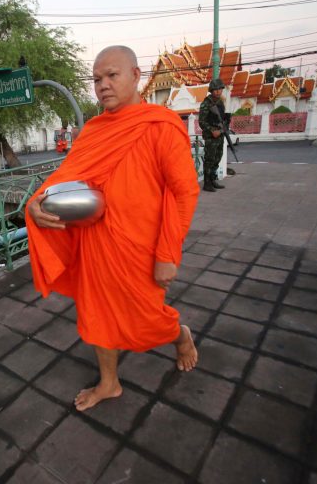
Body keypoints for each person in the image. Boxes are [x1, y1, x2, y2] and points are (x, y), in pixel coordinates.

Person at [26, 46, 200, 412]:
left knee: (147, 318)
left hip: (143, 246)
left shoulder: (160, 127)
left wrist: (168, 254)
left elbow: (184, 193)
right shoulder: (94, 131)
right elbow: (66, 176)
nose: (103, 85)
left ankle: (179, 335)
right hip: (97, 243)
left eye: (112, 76)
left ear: (136, 76)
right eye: (96, 79)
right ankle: (109, 382)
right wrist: (36, 201)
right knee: (96, 316)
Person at [198, 78, 227, 192]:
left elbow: (222, 117)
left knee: (217, 158)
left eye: (220, 89)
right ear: (211, 90)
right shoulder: (206, 104)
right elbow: (202, 121)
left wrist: (224, 126)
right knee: (209, 159)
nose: (218, 92)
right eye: (215, 90)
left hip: (220, 134)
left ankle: (213, 179)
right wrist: (211, 131)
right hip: (211, 136)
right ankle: (207, 183)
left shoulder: (220, 102)